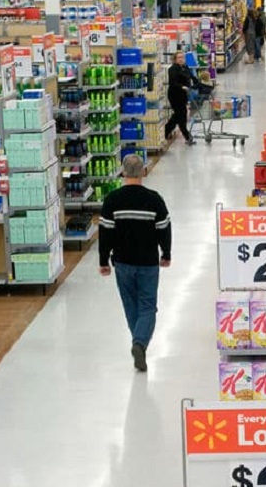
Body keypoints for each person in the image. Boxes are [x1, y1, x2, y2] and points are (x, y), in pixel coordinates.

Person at [99, 154, 172, 372]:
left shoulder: (112, 199)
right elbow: (164, 229)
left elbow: (105, 233)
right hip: (148, 262)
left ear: (122, 172)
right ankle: (139, 343)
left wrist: (103, 260)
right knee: (148, 306)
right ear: (143, 172)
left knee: (131, 305)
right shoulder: (154, 199)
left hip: (122, 262)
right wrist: (166, 253)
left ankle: (138, 343)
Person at [166, 51, 195, 145]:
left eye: (182, 57)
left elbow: (191, 76)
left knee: (178, 115)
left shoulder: (185, 67)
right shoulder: (172, 69)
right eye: (179, 57)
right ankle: (187, 136)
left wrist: (198, 83)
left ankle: (166, 130)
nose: (181, 59)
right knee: (181, 115)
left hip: (183, 95)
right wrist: (182, 86)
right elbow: (173, 82)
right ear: (175, 59)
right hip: (174, 95)